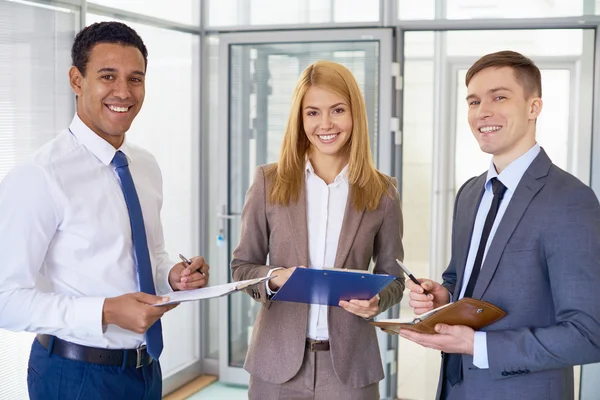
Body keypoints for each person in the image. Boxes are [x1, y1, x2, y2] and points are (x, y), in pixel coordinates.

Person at [0, 22, 210, 400]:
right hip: (74, 375)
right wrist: (106, 312)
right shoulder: (40, 175)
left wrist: (173, 276)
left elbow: (149, 256)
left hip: (145, 369)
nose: (123, 92)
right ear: (76, 80)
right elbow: (5, 300)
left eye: (135, 79)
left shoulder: (143, 165)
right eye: (107, 76)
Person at [397, 50, 600, 400]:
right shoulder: (470, 192)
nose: (482, 112)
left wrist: (477, 344)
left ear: (534, 107)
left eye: (499, 97)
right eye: (474, 101)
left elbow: (590, 334)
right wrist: (443, 297)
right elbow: (460, 278)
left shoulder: (569, 200)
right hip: (455, 387)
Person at [230, 60, 405, 399]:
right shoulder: (269, 182)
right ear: (300, 118)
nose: (325, 124)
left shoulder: (382, 192)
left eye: (337, 110)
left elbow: (393, 279)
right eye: (312, 112)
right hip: (276, 367)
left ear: (355, 114)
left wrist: (377, 300)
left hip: (350, 369)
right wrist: (277, 276)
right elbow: (242, 269)